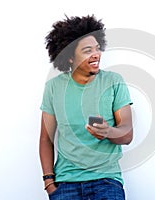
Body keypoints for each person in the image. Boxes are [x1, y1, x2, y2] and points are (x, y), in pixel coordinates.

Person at [39, 15, 133, 200]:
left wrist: (108, 132)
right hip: (65, 184)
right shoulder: (54, 87)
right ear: (70, 58)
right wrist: (49, 183)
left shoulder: (113, 82)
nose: (96, 54)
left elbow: (127, 134)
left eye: (97, 48)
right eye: (87, 50)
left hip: (106, 182)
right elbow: (45, 139)